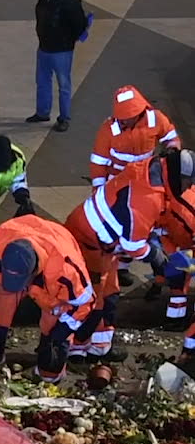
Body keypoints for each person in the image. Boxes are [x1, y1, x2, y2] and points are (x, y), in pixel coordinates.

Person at [64, 149, 195, 363]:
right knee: (94, 301)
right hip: (90, 244)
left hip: (100, 243)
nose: (188, 187)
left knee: (109, 296)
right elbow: (133, 245)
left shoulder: (150, 171)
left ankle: (99, 347)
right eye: (187, 182)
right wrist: (156, 257)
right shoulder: (148, 197)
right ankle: (77, 349)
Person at [0, 215, 95, 383]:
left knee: (51, 362)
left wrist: (59, 335)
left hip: (53, 292)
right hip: (19, 241)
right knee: (2, 306)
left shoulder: (67, 270)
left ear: (32, 274)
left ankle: (48, 374)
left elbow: (85, 303)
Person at [89, 85, 180, 287]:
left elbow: (171, 137)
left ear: (138, 114)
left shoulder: (156, 119)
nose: (121, 122)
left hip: (145, 183)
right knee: (120, 227)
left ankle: (128, 266)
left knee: (140, 226)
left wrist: (172, 151)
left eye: (125, 119)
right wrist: (98, 190)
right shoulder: (109, 129)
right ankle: (120, 269)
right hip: (117, 186)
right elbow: (98, 163)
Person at [26, 0, 89, 133]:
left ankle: (64, 118)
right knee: (42, 81)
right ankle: (42, 112)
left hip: (62, 51)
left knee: (63, 85)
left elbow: (79, 25)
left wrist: (67, 40)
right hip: (44, 47)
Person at [145, 188, 195, 331]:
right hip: (178, 237)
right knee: (176, 274)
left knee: (178, 273)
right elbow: (161, 235)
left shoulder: (184, 210)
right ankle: (176, 319)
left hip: (185, 237)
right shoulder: (164, 208)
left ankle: (180, 320)